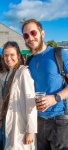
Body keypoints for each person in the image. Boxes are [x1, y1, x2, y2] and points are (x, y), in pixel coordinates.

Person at [22, 19, 68, 150]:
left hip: (59, 121)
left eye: (33, 32)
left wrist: (55, 98)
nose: (30, 38)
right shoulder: (29, 61)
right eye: (26, 35)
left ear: (42, 33)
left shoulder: (58, 53)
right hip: (38, 121)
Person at [1, 41, 37, 150]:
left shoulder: (23, 72)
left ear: (18, 56)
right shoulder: (8, 73)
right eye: (6, 55)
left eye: (12, 55)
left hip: (19, 124)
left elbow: (31, 101)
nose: (8, 58)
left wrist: (30, 130)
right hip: (7, 121)